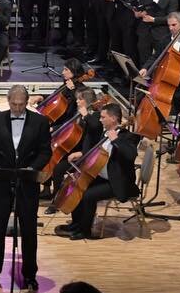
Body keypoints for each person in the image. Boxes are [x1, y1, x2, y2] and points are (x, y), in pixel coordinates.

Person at [0, 84, 52, 292]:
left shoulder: (40, 122)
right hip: (2, 182)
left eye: (22, 105)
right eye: (14, 104)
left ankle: (30, 276)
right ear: (8, 100)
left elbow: (45, 152)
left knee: (29, 231)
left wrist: (33, 168)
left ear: (27, 101)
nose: (18, 108)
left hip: (27, 182)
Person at [56, 101, 138, 241]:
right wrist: (82, 154)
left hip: (117, 182)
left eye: (103, 117)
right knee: (78, 185)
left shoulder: (127, 136)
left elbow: (131, 155)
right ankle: (77, 224)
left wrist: (116, 140)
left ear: (113, 118)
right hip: (101, 176)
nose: (100, 120)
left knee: (88, 195)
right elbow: (99, 153)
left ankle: (85, 231)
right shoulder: (105, 133)